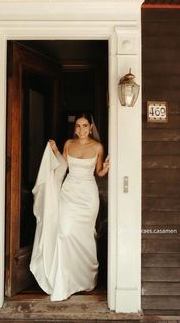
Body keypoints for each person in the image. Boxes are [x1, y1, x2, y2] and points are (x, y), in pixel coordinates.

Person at [30, 111, 109, 301]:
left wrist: (106, 168)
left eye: (84, 126)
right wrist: (55, 150)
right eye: (78, 126)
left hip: (88, 196)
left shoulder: (98, 147)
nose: (81, 129)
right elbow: (63, 165)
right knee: (64, 233)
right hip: (68, 193)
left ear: (90, 127)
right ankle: (65, 280)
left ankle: (86, 278)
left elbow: (98, 172)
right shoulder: (68, 144)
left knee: (85, 236)